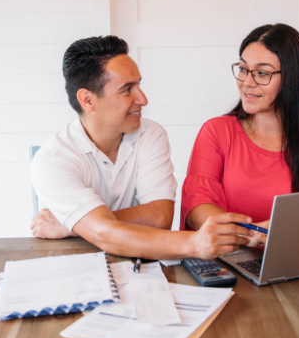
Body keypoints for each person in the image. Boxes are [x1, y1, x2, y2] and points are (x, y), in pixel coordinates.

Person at [29, 35, 256, 260]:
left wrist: (73, 224)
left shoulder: (150, 134)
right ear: (87, 100)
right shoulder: (52, 161)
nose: (143, 99)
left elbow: (160, 217)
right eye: (127, 89)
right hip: (74, 268)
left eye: (139, 85)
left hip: (138, 265)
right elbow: (104, 234)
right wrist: (194, 243)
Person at [180, 24, 299, 243]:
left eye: (262, 73)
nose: (247, 83)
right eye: (243, 69)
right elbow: (198, 204)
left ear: (292, 79)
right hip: (229, 259)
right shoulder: (216, 132)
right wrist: (252, 235)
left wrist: (278, 234)